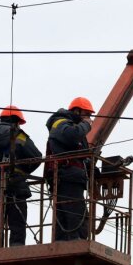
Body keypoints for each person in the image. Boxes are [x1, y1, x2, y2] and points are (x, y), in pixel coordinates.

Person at [0, 105, 42, 248]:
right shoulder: (18, 135)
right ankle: (16, 247)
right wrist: (23, 171)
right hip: (16, 183)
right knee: (17, 219)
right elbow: (36, 157)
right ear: (16, 121)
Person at [45, 97, 95, 241]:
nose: (89, 118)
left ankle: (68, 241)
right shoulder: (60, 123)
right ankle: (74, 241)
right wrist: (86, 125)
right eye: (86, 114)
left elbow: (83, 154)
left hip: (73, 177)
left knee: (76, 213)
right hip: (67, 176)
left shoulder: (75, 128)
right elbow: (71, 136)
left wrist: (93, 169)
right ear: (76, 111)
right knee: (73, 211)